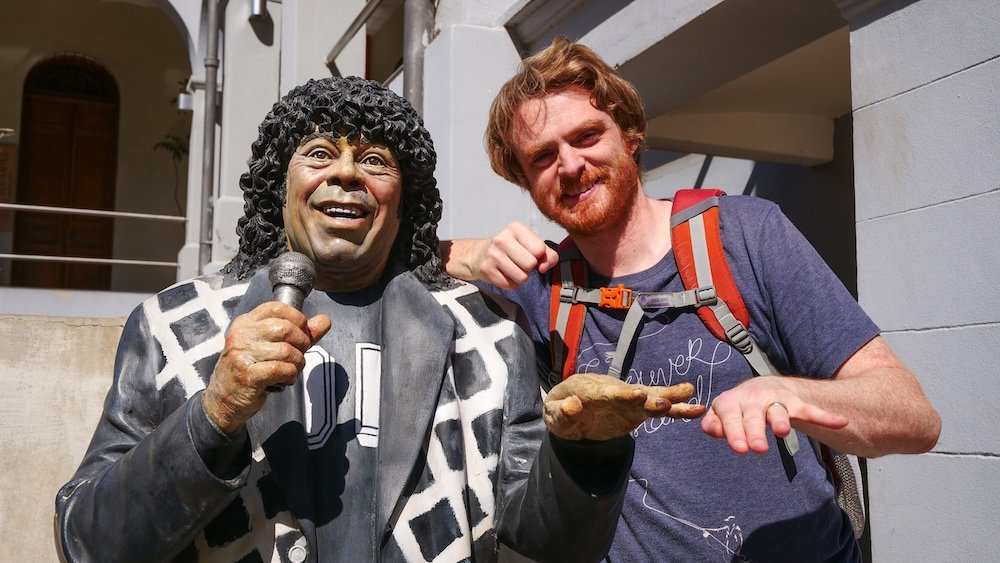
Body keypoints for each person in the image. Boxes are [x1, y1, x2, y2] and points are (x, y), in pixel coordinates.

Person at [55, 76, 703, 563]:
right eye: (318, 153)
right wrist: (214, 414)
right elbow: (87, 540)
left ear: (406, 198)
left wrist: (586, 452)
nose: (345, 173)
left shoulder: (485, 331)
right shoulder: (176, 324)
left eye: (373, 161)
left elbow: (545, 541)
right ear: (277, 184)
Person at [442, 37, 942, 562]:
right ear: (524, 179)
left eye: (587, 135)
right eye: (543, 156)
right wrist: (473, 253)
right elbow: (382, 247)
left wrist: (792, 396)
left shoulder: (746, 235)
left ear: (629, 134)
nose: (569, 165)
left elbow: (914, 418)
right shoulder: (543, 285)